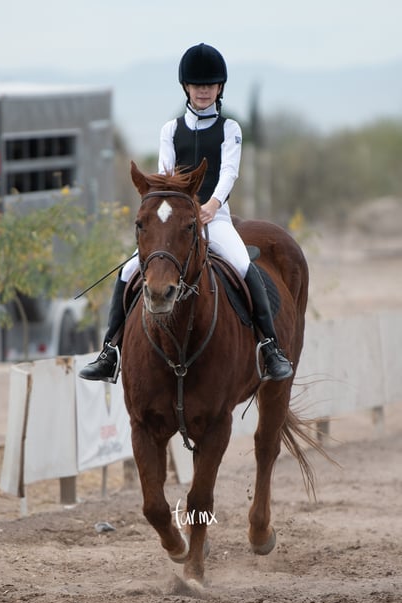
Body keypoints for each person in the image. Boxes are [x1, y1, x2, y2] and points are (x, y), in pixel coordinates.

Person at [79, 43, 292, 384]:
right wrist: (180, 208)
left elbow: (229, 173)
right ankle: (110, 351)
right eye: (197, 85)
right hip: (178, 218)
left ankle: (270, 347)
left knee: (241, 263)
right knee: (128, 269)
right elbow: (166, 175)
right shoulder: (170, 129)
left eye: (209, 85)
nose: (203, 91)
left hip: (214, 217)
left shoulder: (230, 128)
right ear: (187, 88)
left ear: (219, 88)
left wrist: (211, 206)